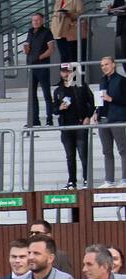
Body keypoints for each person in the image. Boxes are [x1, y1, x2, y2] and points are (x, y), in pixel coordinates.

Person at [53, 64, 94, 189]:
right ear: (60, 73)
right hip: (66, 127)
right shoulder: (58, 90)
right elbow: (54, 110)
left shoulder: (81, 86)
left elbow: (92, 102)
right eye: (63, 71)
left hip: (80, 124)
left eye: (68, 71)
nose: (66, 73)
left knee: (83, 154)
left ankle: (87, 179)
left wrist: (88, 117)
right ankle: (72, 181)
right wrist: (60, 108)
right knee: (70, 156)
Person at [95, 56, 126, 188]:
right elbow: (100, 100)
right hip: (103, 119)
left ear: (113, 65)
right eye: (102, 65)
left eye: (106, 64)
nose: (104, 67)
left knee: (123, 149)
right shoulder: (102, 80)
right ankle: (109, 180)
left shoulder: (121, 80)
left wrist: (111, 99)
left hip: (117, 118)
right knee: (107, 151)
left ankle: (124, 179)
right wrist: (96, 112)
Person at [20, 12, 56, 127]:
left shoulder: (47, 32)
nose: (35, 22)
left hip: (42, 66)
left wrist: (39, 57)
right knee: (32, 95)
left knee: (46, 94)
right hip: (31, 66)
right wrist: (26, 48)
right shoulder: (30, 32)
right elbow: (27, 46)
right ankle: (35, 119)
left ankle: (49, 119)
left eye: (37, 20)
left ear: (42, 20)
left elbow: (51, 49)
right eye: (33, 20)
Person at [50, 0, 84, 64]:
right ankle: (64, 76)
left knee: (72, 56)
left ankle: (74, 76)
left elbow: (81, 13)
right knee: (63, 56)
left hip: (70, 30)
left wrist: (69, 14)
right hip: (59, 30)